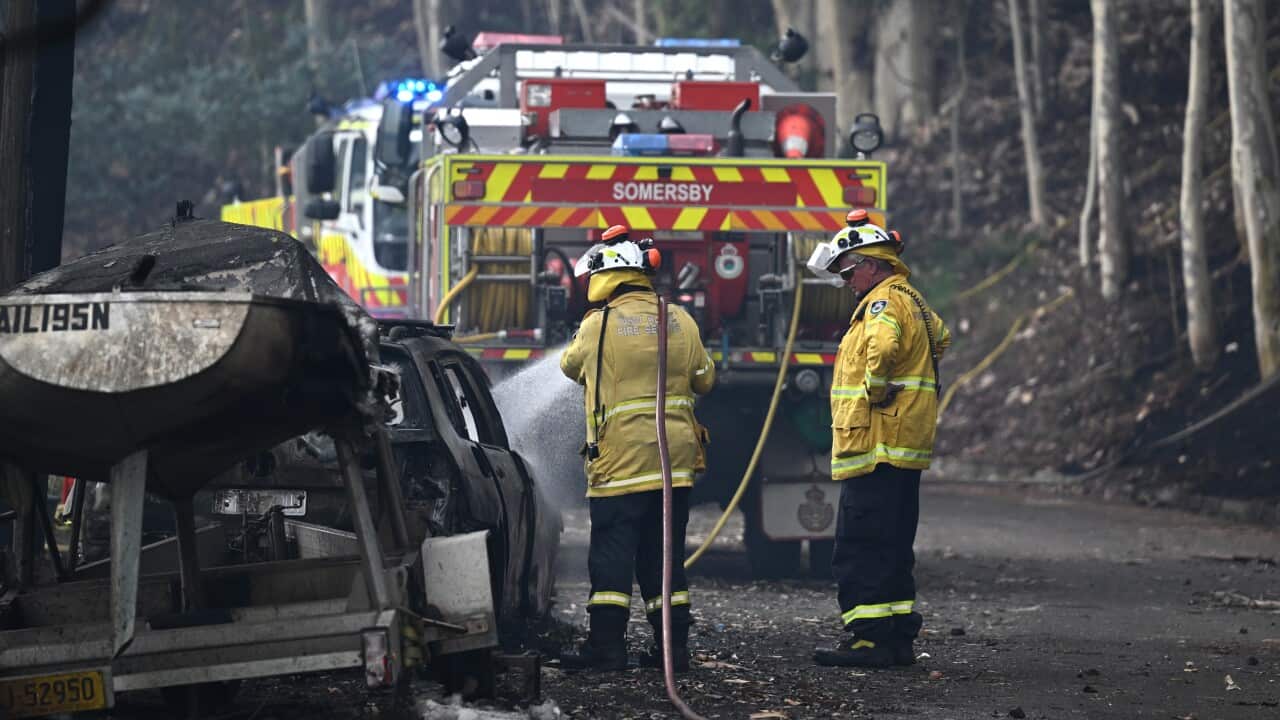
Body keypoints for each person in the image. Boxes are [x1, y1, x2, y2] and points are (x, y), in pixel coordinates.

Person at [558, 224, 715, 672]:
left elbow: (569, 367)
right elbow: (706, 378)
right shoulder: (680, 319)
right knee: (663, 559)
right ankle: (673, 651)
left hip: (621, 465)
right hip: (674, 465)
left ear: (606, 275)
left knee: (611, 558)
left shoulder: (598, 325)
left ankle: (606, 648)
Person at [805, 210, 951, 668]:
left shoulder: (881, 304)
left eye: (849, 271)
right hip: (901, 447)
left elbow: (884, 347)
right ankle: (896, 639)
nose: (847, 281)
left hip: (876, 444)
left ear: (872, 263)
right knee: (892, 544)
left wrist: (876, 385)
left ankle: (868, 638)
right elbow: (940, 339)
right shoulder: (914, 299)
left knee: (859, 544)